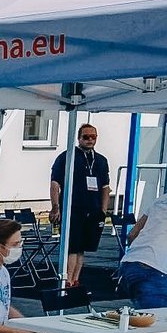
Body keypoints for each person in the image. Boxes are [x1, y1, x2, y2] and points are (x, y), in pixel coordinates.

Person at [106, 191, 167, 333]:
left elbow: (133, 234)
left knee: (158, 328)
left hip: (134, 264)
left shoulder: (162, 198)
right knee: (152, 332)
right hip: (157, 270)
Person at [49, 123, 111, 287]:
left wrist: (103, 210)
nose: (90, 140)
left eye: (93, 137)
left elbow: (105, 187)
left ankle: (76, 278)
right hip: (72, 209)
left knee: (83, 247)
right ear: (79, 138)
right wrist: (56, 207)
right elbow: (55, 183)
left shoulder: (101, 161)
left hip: (93, 209)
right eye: (86, 137)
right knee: (72, 246)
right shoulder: (67, 157)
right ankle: (67, 279)